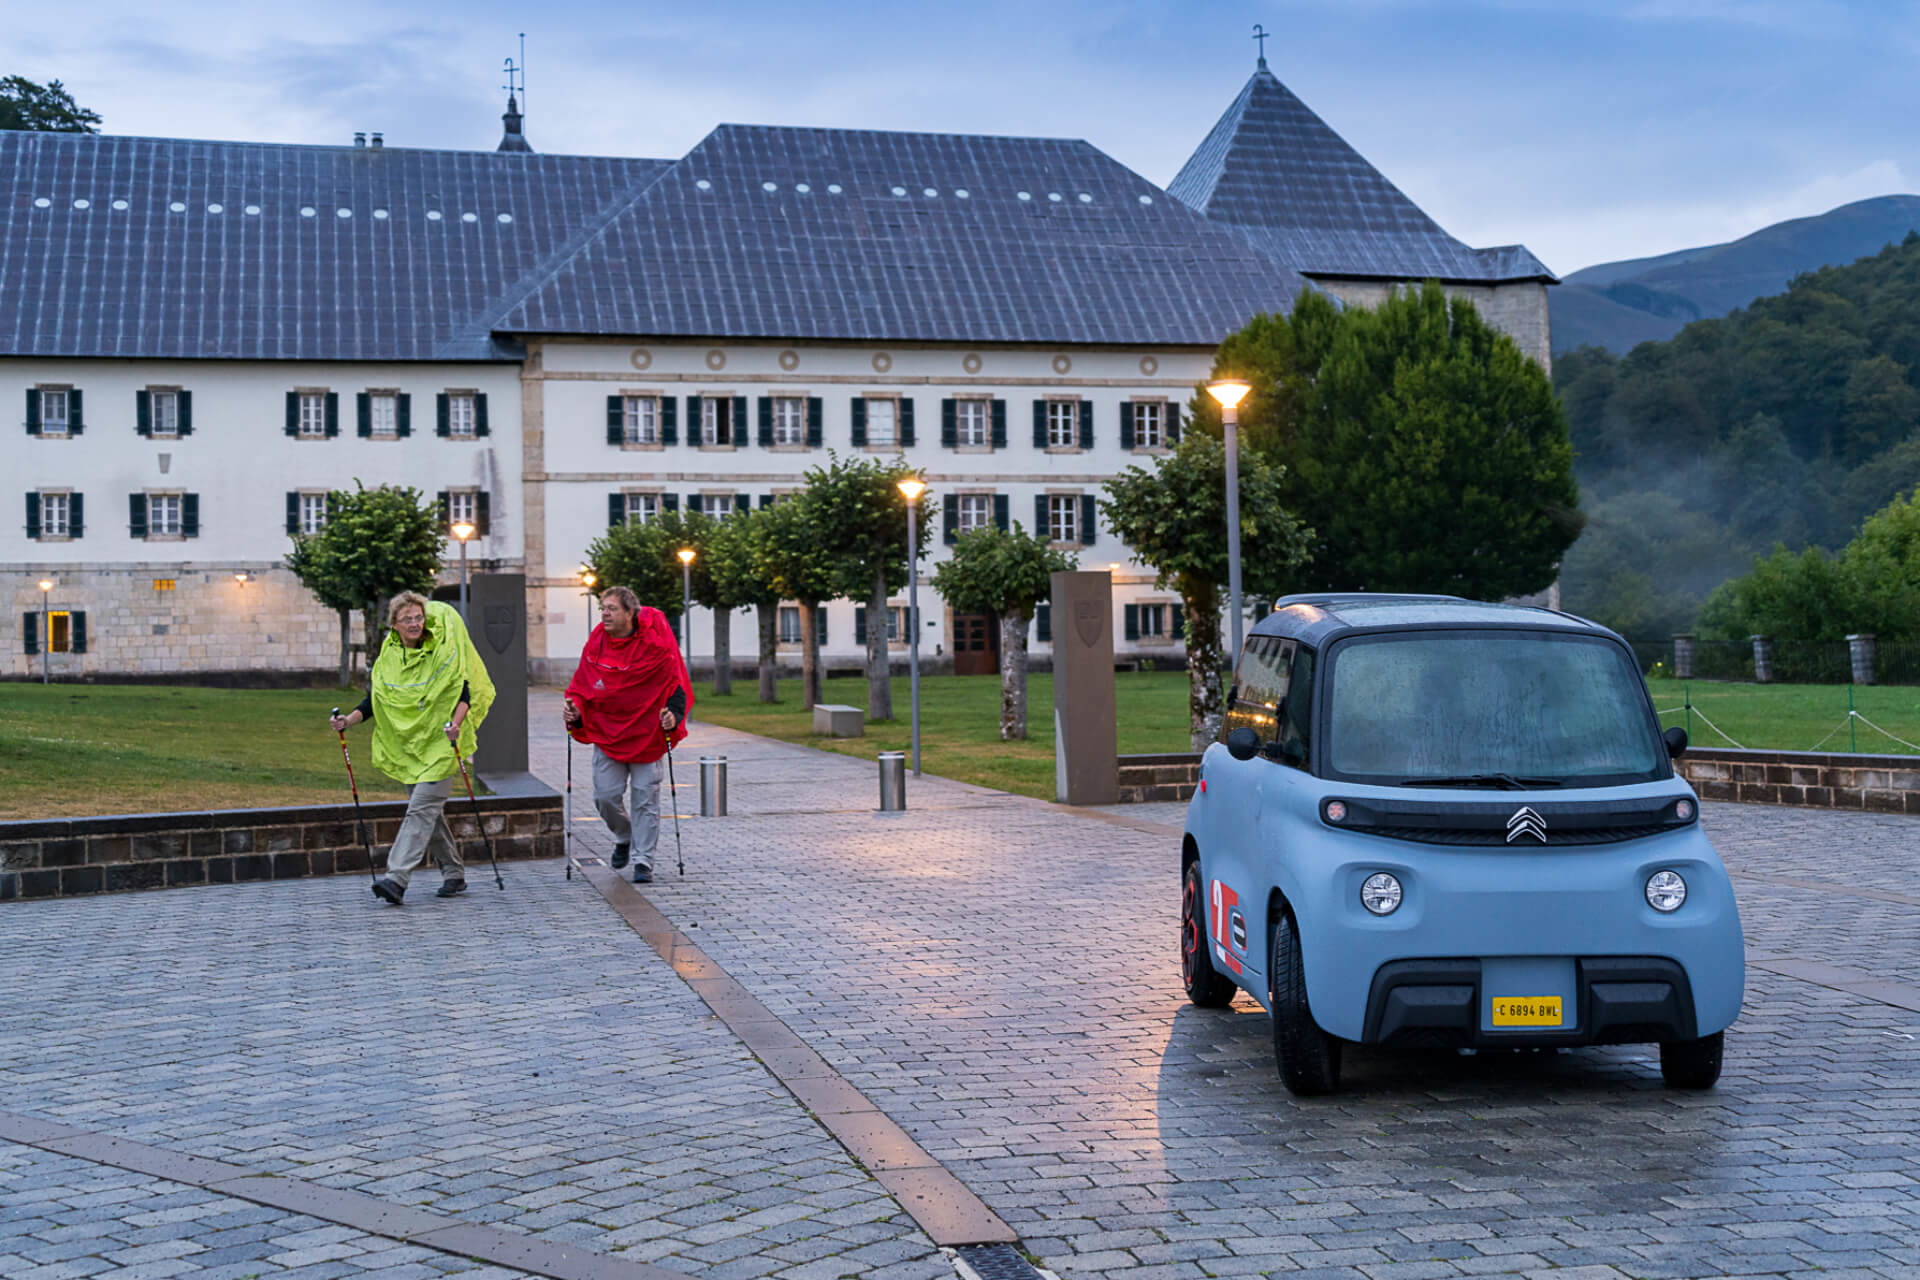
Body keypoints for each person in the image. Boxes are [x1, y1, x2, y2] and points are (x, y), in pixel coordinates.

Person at [328, 593, 496, 906]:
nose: (415, 623)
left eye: (419, 617)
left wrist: (456, 725)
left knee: (420, 810)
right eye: (407, 619)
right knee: (429, 814)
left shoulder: (441, 650)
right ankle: (454, 873)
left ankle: (396, 878)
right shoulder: (389, 657)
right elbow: (375, 701)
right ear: (394, 624)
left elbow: (463, 693)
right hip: (410, 749)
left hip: (441, 746)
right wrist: (347, 721)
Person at [563, 586, 691, 883]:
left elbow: (675, 684)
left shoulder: (655, 644)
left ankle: (643, 860)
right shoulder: (596, 645)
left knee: (645, 799)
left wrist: (673, 715)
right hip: (608, 734)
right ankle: (624, 835)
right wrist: (575, 710)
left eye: (612, 608)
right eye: (603, 609)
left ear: (630, 613)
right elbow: (582, 686)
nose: (605, 614)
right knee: (605, 797)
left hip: (647, 735)